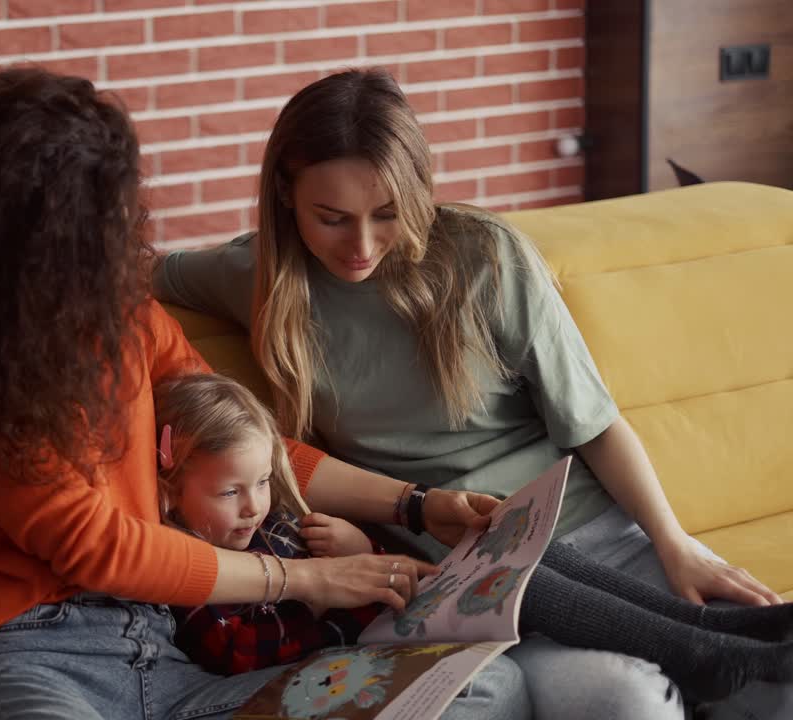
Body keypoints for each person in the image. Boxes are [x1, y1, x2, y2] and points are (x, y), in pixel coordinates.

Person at [0, 67, 527, 720]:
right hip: (20, 664)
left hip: (168, 659)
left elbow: (246, 449)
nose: (115, 238)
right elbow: (99, 548)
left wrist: (417, 503)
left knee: (481, 694)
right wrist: (307, 579)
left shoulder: (125, 321)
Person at [146, 67, 791, 717]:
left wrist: (675, 543)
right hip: (456, 570)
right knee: (629, 707)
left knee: (774, 677)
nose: (361, 245)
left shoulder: (483, 257)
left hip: (593, 532)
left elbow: (594, 422)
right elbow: (139, 276)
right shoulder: (256, 277)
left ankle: (719, 650)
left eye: (388, 214)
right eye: (332, 219)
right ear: (286, 193)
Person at [151, 372, 793, 702]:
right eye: (230, 491)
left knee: (536, 561)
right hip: (360, 655)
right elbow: (230, 653)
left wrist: (360, 550)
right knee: (511, 586)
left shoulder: (275, 523)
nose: (253, 506)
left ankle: (717, 635)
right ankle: (707, 655)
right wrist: (322, 601)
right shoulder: (184, 567)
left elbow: (371, 575)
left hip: (392, 613)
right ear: (172, 482)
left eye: (262, 483)